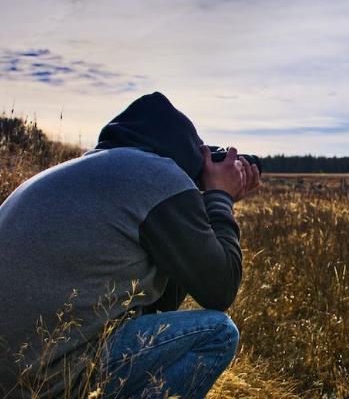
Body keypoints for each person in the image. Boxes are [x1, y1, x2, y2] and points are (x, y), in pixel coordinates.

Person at [0, 92, 260, 398]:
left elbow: (157, 306)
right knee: (217, 333)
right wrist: (221, 199)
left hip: (14, 373)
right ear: (188, 153)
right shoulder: (162, 176)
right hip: (45, 379)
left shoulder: (76, 173)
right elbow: (220, 289)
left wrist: (197, 212)